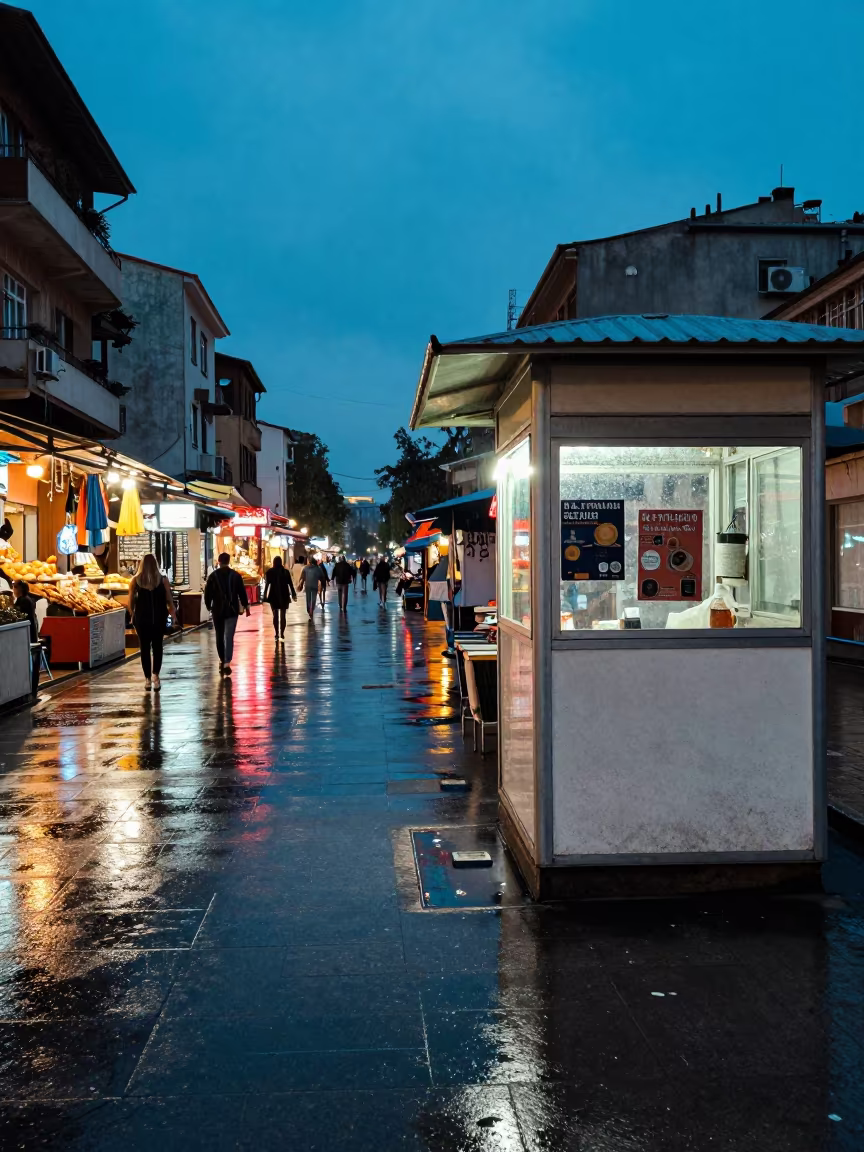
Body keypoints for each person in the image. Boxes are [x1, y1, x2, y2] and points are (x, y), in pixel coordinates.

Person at [127, 554, 178, 691]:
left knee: (144, 649)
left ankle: (147, 680)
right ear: (156, 564)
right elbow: (169, 601)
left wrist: (132, 615)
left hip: (142, 620)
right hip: (159, 619)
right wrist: (172, 615)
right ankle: (156, 676)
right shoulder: (162, 580)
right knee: (157, 647)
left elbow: (130, 603)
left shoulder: (135, 581)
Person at [204, 552, 250, 675]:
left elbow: (207, 594)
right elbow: (242, 592)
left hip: (217, 610)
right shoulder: (236, 576)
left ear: (219, 561)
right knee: (229, 637)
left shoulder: (213, 576)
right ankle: (227, 663)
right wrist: (246, 606)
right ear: (229, 561)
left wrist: (209, 606)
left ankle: (222, 659)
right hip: (232, 610)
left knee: (219, 636)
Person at [12, 579, 40, 698]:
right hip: (31, 633)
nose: (13, 590)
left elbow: (18, 617)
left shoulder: (22, 601)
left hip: (27, 635)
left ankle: (31, 686)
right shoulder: (28, 600)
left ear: (19, 589)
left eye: (14, 588)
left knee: (30, 661)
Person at [263, 555, 296, 640]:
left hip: (273, 595)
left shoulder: (270, 572)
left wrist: (264, 596)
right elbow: (290, 585)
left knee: (275, 615)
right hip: (284, 595)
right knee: (283, 615)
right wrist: (293, 594)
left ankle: (277, 633)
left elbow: (267, 585)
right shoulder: (286, 572)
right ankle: (282, 633)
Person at [297, 555, 323, 620]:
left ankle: (309, 610)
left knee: (308, 599)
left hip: (308, 586)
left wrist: (300, 583)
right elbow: (322, 577)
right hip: (314, 586)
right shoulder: (318, 568)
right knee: (313, 599)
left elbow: (302, 577)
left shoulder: (305, 568)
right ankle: (311, 610)